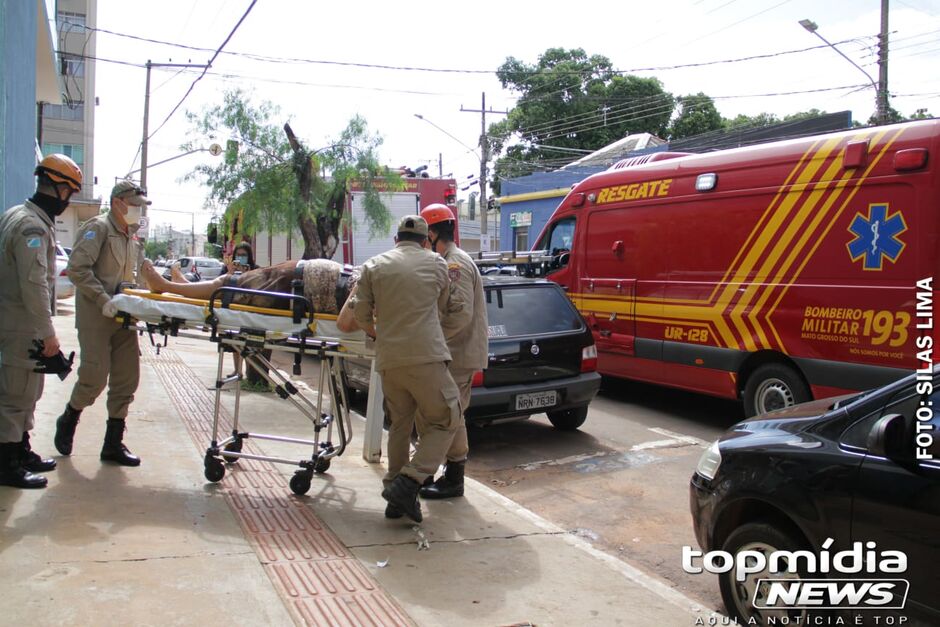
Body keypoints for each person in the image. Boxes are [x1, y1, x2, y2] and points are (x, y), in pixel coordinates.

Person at [352, 215, 462, 523]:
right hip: (426, 356)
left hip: (389, 359)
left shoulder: (373, 265)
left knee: (400, 424)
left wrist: (380, 335)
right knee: (447, 418)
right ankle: (410, 480)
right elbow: (441, 307)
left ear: (396, 239)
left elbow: (360, 313)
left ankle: (396, 496)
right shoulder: (437, 264)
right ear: (426, 241)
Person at [54, 181, 149, 466]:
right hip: (97, 314)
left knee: (127, 377)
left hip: (123, 317)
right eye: (135, 204)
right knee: (94, 376)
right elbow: (77, 269)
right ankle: (70, 416)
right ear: (119, 202)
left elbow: (131, 276)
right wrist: (102, 299)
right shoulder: (98, 229)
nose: (138, 210)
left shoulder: (130, 236)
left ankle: (112, 443)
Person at [0, 154, 81, 488]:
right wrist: (48, 333)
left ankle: (20, 450)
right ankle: (6, 464)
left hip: (19, 322)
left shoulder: (17, 215)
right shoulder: (31, 226)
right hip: (22, 323)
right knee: (16, 395)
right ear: (60, 189)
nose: (68, 200)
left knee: (29, 391)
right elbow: (34, 286)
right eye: (70, 193)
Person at [417, 204, 488, 500]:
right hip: (456, 351)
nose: (422, 242)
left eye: (424, 236)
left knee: (450, 415)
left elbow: (459, 315)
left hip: (458, 352)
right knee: (450, 413)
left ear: (433, 234)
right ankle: (445, 474)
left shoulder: (454, 264)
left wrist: (432, 340)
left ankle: (452, 478)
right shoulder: (448, 260)